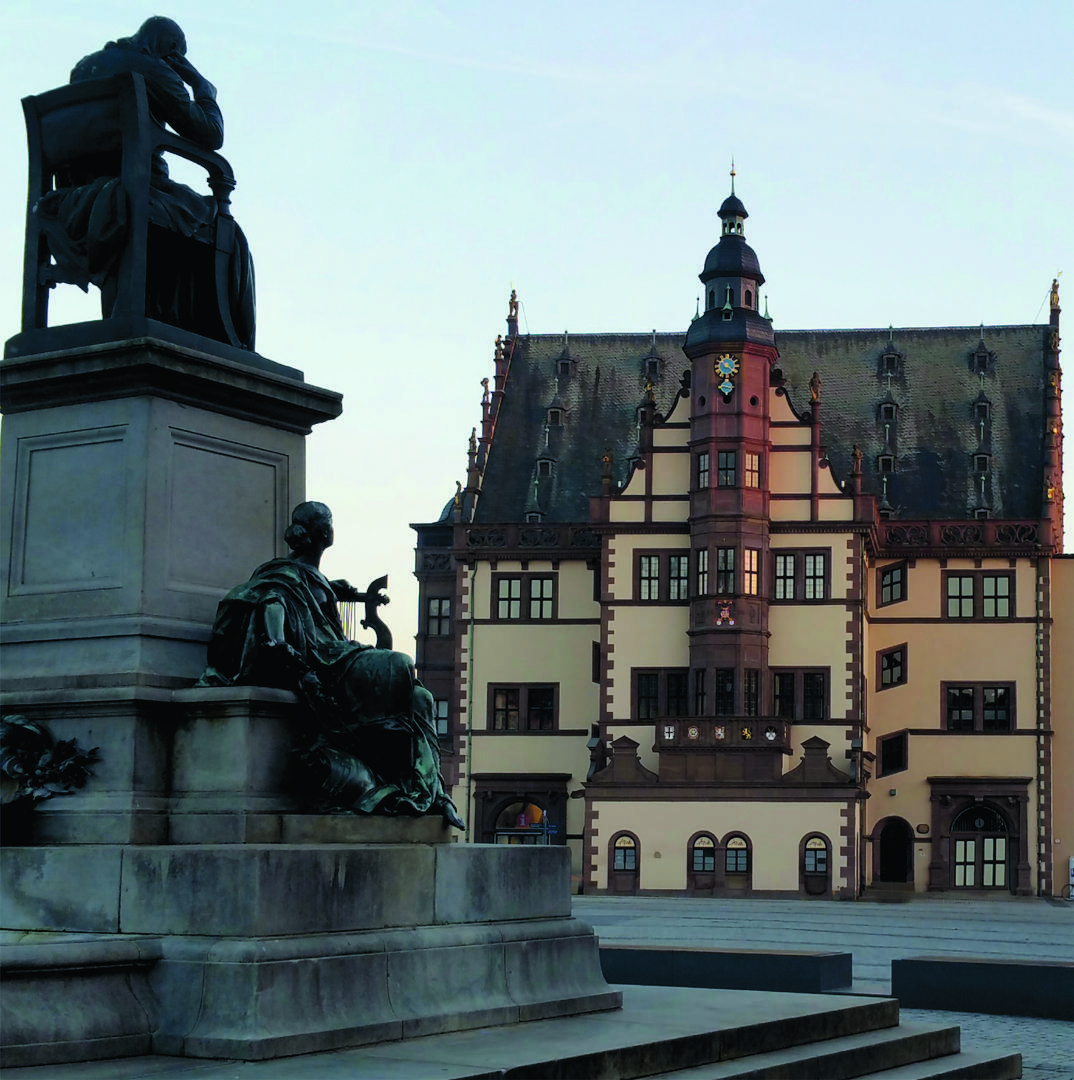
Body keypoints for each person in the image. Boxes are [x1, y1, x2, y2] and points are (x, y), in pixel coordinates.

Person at [199, 502, 464, 828]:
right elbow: (273, 635)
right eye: (330, 522)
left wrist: (342, 591)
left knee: (421, 698)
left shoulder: (312, 578)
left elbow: (321, 590)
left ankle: (430, 793)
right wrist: (301, 670)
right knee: (400, 663)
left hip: (339, 657)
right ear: (322, 531)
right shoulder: (280, 581)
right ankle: (418, 791)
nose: (332, 527)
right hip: (325, 662)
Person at [35, 17, 255, 348]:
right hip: (137, 191)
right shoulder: (154, 69)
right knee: (229, 234)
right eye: (179, 55)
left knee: (182, 217)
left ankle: (158, 317)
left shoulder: (85, 67)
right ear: (172, 51)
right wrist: (203, 89)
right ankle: (221, 340)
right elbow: (210, 134)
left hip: (75, 198)